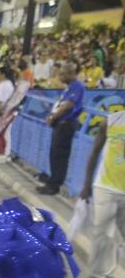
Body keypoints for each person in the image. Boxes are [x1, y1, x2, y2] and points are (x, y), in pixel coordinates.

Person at [78, 94, 125, 278]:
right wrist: (87, 184)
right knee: (102, 234)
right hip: (105, 187)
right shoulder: (111, 121)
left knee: (119, 238)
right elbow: (94, 152)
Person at [42, 62, 85, 196]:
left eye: (62, 74)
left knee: (60, 155)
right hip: (60, 124)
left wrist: (53, 116)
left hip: (66, 124)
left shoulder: (77, 86)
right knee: (54, 154)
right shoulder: (69, 87)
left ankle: (54, 185)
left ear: (70, 74)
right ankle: (51, 180)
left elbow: (68, 105)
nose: (60, 77)